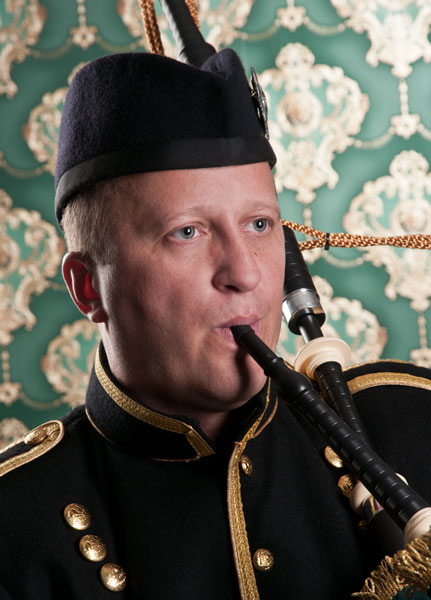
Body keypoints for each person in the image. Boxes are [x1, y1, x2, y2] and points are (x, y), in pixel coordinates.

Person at [0, 45, 430, 600]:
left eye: (259, 224)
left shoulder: (412, 422)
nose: (245, 274)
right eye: (187, 232)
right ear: (88, 287)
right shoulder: (15, 525)